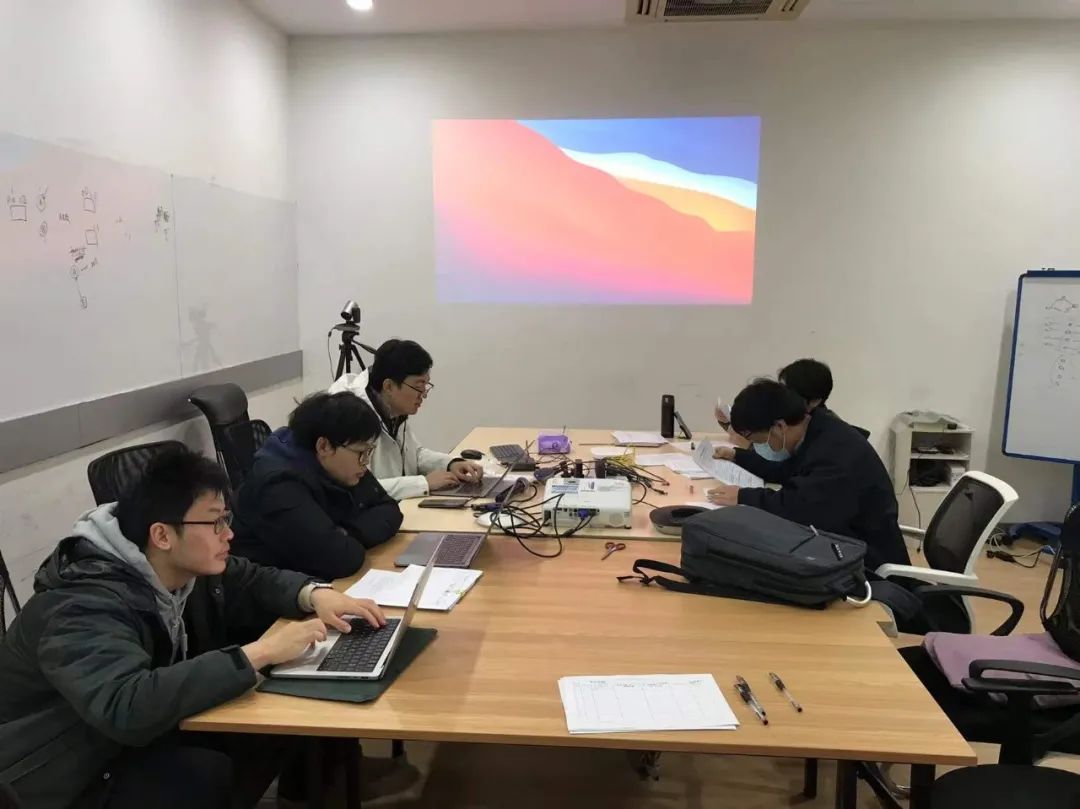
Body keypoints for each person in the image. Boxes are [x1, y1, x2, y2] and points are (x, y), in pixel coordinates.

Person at [0, 448, 387, 809]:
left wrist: (314, 595)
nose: (228, 534)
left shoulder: (175, 565)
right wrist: (260, 652)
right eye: (215, 522)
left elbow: (249, 578)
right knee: (203, 773)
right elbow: (126, 706)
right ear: (162, 535)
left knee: (278, 720)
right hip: (56, 774)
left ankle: (308, 792)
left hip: (116, 736)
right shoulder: (81, 606)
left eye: (226, 519)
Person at [708, 379, 910, 570]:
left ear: (779, 426)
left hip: (867, 565)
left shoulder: (833, 452)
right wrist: (738, 456)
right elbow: (784, 470)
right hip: (843, 544)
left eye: (758, 441)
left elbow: (797, 507)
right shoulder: (816, 431)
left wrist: (743, 496)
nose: (759, 446)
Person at [231, 392, 403, 581]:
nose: (366, 461)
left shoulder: (340, 465)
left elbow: (390, 509)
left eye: (369, 452)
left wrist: (346, 533)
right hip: (274, 591)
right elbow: (340, 560)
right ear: (324, 446)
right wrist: (341, 538)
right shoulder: (278, 486)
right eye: (362, 452)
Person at [327, 339, 483, 500]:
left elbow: (413, 454)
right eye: (418, 386)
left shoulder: (390, 405)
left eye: (426, 386)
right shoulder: (350, 414)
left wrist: (450, 464)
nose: (423, 395)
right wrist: (423, 484)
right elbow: (358, 488)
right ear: (388, 386)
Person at [778, 358, 871, 438]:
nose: (780, 396)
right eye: (780, 389)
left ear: (815, 401)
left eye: (788, 393)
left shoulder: (832, 437)